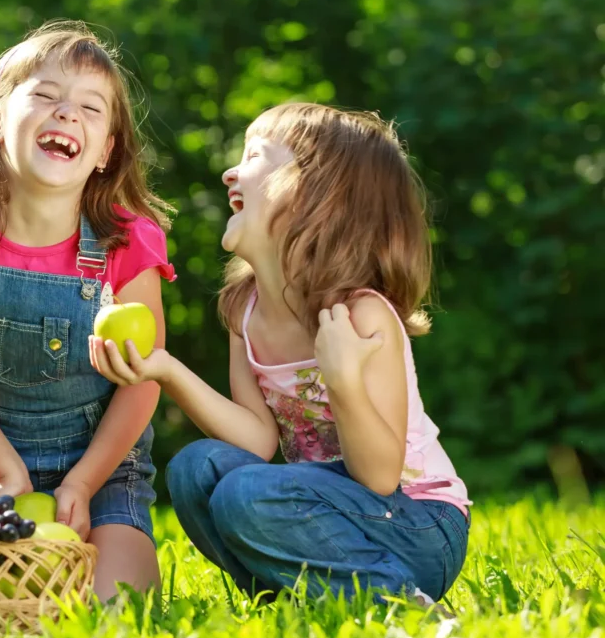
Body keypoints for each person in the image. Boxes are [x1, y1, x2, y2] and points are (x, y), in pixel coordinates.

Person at [92, 103, 470, 607]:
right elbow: (259, 439)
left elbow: (379, 477)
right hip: (317, 507)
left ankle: (398, 601)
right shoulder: (243, 311)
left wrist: (344, 380)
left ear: (314, 193)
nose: (230, 171)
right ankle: (297, 597)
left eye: (253, 157)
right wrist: (165, 370)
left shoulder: (360, 316)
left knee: (244, 493)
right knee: (196, 469)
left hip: (417, 523)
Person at [0, 21, 174, 600]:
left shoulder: (129, 244)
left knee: (109, 603)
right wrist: (7, 474)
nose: (67, 113)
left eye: (90, 108)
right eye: (46, 96)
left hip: (104, 471)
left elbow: (142, 382)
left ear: (105, 152)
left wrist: (82, 481)